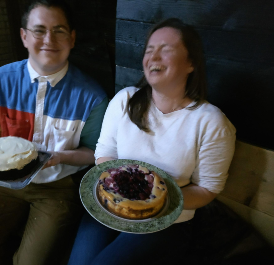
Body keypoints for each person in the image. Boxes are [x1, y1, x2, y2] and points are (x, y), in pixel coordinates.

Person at [67, 18, 237, 265]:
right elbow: (105, 152)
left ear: (191, 63)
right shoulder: (124, 100)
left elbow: (208, 188)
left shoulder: (211, 122)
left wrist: (155, 201)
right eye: (149, 50)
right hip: (110, 206)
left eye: (166, 49)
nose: (154, 56)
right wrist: (122, 194)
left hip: (167, 223)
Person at [0, 1, 109, 264]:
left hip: (56, 187)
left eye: (59, 31)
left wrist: (61, 157)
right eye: (39, 30)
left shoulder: (92, 96)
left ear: (72, 38)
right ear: (24, 36)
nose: (49, 39)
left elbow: (94, 153)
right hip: (2, 183)